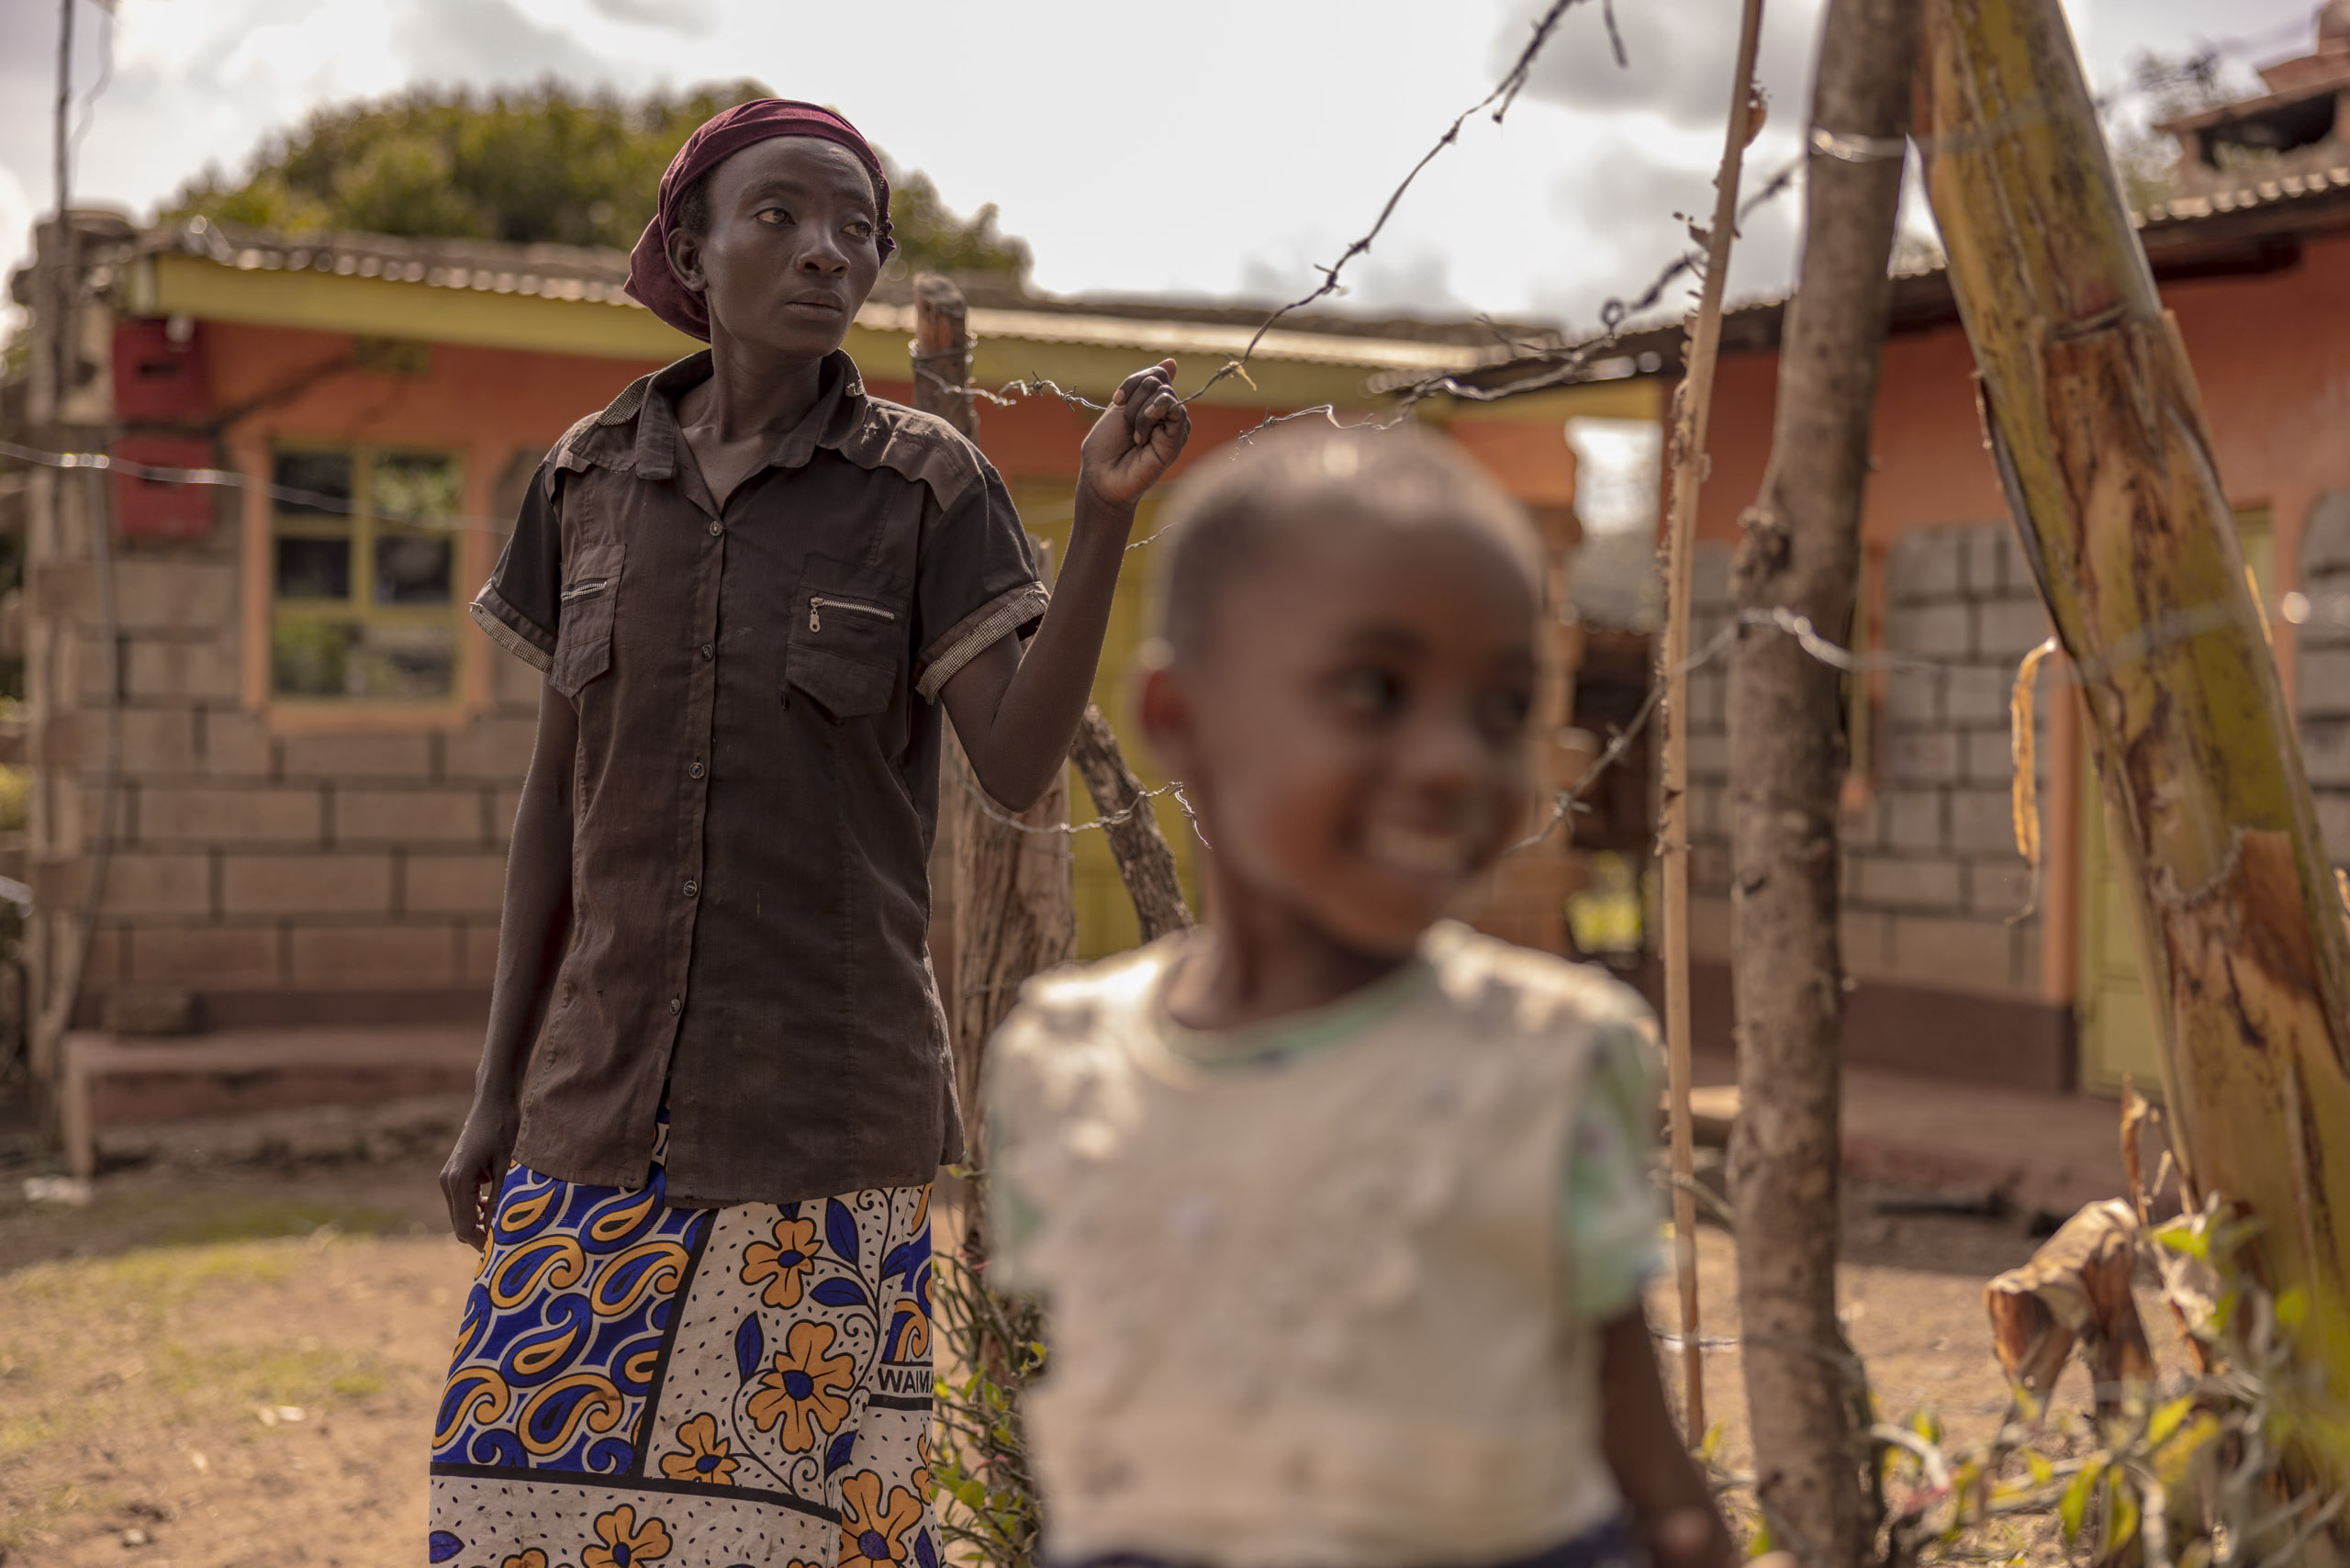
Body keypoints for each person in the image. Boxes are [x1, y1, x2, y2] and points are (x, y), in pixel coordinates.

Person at [427, 98, 1188, 1568]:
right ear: (691, 252)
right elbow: (554, 807)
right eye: (778, 215)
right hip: (588, 1123)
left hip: (818, 1137)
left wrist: (1096, 520)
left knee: (784, 1540)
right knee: (511, 1506)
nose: (827, 252)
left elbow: (1019, 767)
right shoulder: (587, 478)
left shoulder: (925, 488)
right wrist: (495, 1089)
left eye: (858, 231)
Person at [983, 426, 1747, 1568]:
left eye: (1499, 708)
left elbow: (1646, 1464)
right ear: (1180, 718)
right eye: (1372, 688)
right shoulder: (1060, 1067)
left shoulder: (1546, 1057)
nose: (1450, 761)